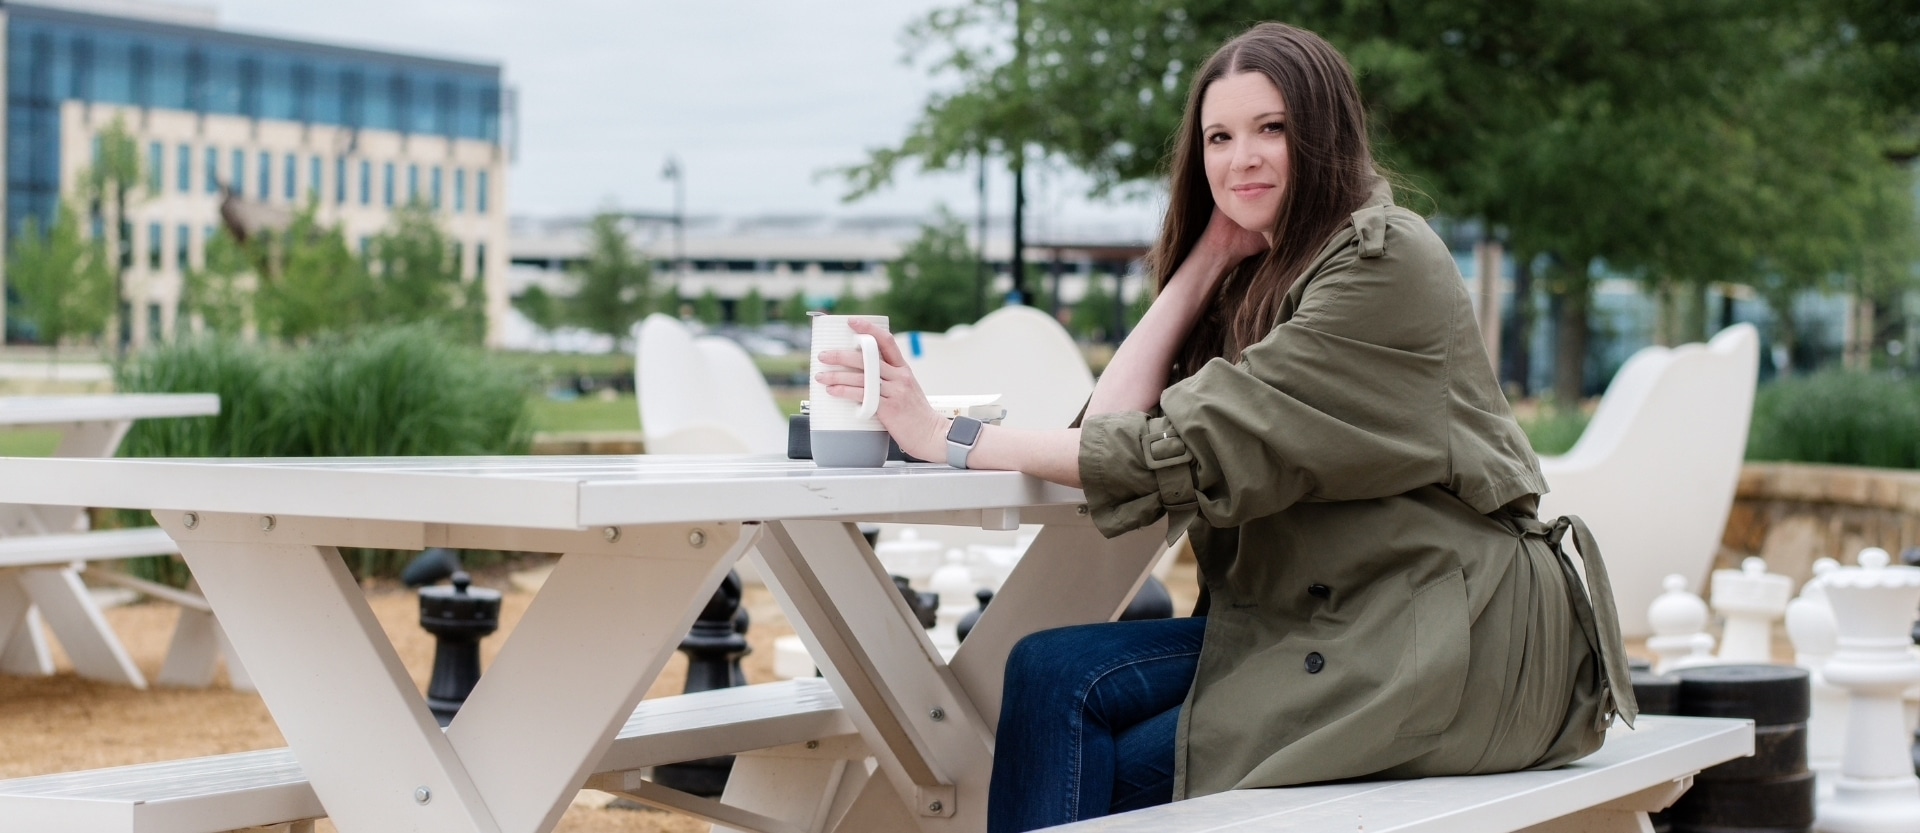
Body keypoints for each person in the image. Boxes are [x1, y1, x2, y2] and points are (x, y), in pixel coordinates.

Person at [815, 21, 1636, 832]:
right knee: (1047, 670)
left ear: (1326, 134)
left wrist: (942, 435)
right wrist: (1207, 258)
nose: (1241, 158)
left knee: (1109, 764)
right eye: (1219, 136)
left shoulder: (1385, 265)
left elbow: (1170, 450)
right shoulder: (1265, 275)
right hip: (1322, 623)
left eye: (1270, 129)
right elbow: (1117, 425)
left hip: (1459, 642)